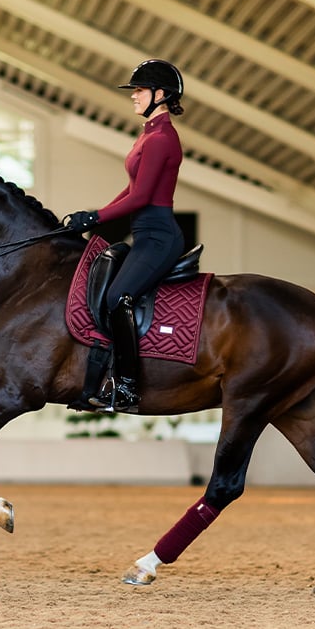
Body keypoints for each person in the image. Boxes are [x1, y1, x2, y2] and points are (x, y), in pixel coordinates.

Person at [67, 59, 186, 414]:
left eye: (140, 90)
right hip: (145, 233)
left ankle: (129, 387)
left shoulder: (162, 138)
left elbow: (142, 197)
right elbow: (131, 189)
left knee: (118, 296)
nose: (133, 96)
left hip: (159, 236)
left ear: (160, 94)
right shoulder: (149, 134)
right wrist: (94, 216)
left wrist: (96, 217)